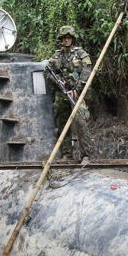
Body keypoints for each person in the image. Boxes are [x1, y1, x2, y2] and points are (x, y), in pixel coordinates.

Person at [45, 25, 93, 163]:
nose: (66, 40)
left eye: (68, 38)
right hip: (62, 93)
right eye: (64, 38)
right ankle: (67, 154)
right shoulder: (57, 55)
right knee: (61, 121)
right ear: (61, 39)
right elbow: (47, 71)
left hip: (76, 92)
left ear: (72, 39)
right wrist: (55, 80)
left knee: (80, 121)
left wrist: (77, 88)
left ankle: (86, 155)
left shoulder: (80, 53)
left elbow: (87, 70)